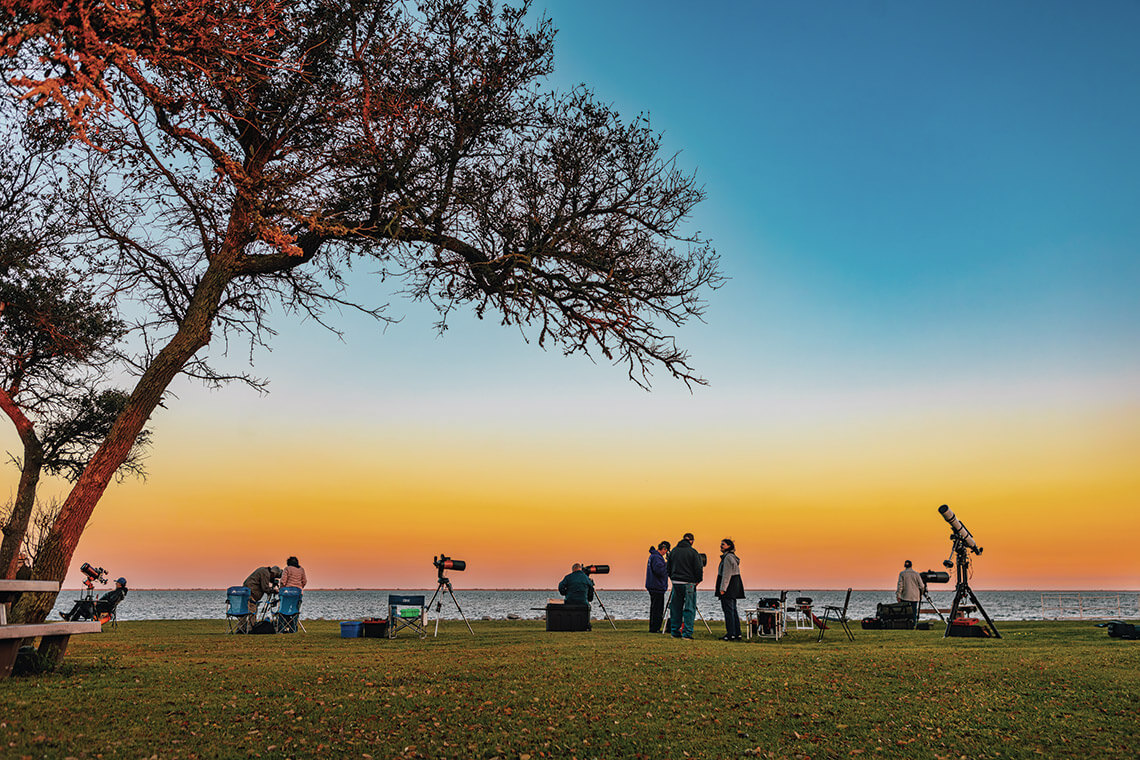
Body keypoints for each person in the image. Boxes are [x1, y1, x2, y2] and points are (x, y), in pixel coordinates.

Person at [666, 532, 703, 639]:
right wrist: (698, 580)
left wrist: (672, 577)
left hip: (676, 583)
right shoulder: (693, 552)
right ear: (691, 541)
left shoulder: (674, 551)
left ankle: (675, 632)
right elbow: (698, 568)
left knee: (675, 608)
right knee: (689, 608)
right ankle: (687, 633)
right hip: (689, 583)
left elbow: (668, 567)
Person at [61, 577, 128, 622]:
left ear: (120, 584)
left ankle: (69, 617)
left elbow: (110, 602)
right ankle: (71, 620)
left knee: (81, 603)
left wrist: (97, 602)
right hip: (100, 605)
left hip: (100, 607)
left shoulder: (118, 593)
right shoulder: (119, 592)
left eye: (117, 583)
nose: (115, 584)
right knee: (81, 606)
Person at [715, 538, 744, 641]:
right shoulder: (733, 558)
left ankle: (731, 634)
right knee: (733, 611)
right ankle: (737, 633)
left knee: (728, 611)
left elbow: (726, 575)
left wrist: (723, 588)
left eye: (723, 544)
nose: (721, 546)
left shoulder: (727, 558)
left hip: (728, 588)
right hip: (734, 587)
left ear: (729, 546)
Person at [645, 541, 670, 633]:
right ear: (664, 549)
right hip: (657, 586)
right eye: (666, 551)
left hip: (654, 585)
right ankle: (655, 628)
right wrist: (668, 564)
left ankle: (653, 627)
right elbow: (659, 571)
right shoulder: (657, 557)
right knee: (657, 609)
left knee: (655, 607)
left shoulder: (653, 556)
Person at [896, 560, 925, 624]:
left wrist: (898, 595)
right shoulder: (916, 574)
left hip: (905, 596)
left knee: (905, 612)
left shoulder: (902, 574)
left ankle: (906, 624)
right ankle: (914, 623)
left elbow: (900, 586)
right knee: (914, 612)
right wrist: (921, 594)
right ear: (911, 565)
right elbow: (922, 586)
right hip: (915, 597)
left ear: (905, 566)